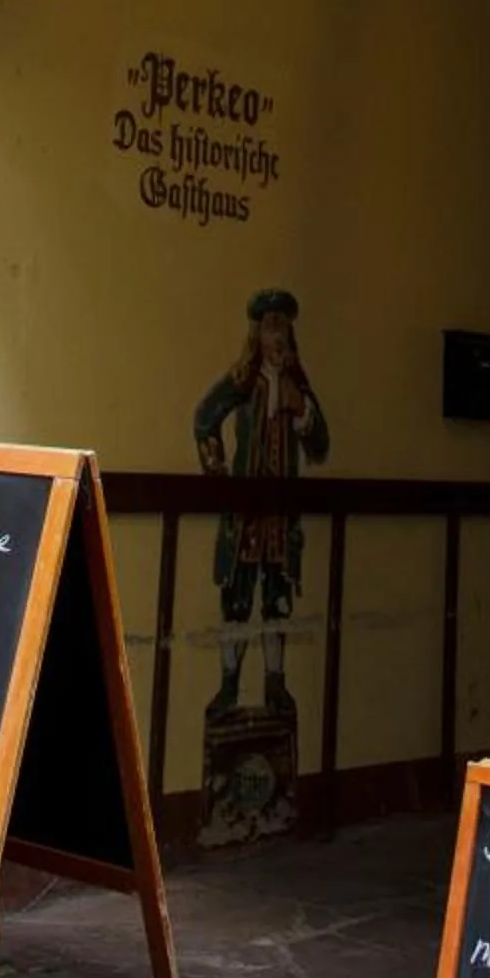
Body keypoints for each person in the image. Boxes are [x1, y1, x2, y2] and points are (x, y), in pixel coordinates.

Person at [193, 289, 330, 720]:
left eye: (283, 330)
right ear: (257, 335)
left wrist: (302, 410)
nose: (277, 338)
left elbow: (321, 443)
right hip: (246, 515)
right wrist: (215, 464)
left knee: (277, 599)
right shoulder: (244, 381)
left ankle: (276, 680)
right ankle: (230, 683)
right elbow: (204, 418)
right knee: (236, 601)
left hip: (280, 518)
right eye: (270, 328)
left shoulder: (296, 385)